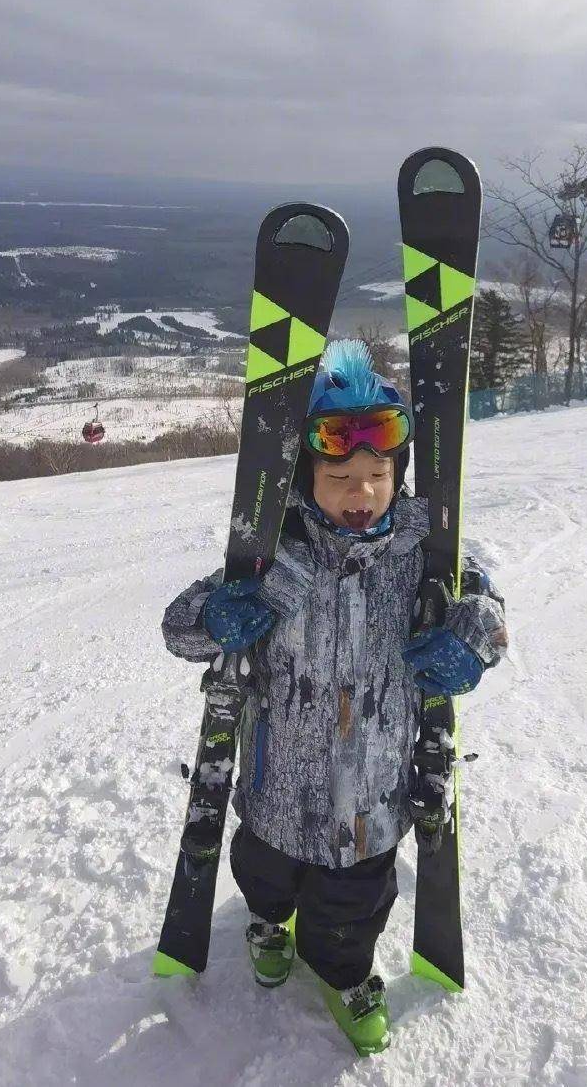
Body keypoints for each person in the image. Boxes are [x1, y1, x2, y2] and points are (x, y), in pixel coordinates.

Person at [161, 339, 507, 1056]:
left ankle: (346, 975)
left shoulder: (422, 550)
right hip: (275, 786)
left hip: (370, 798)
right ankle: (265, 923)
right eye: (341, 475)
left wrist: (470, 642)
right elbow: (180, 628)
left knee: (351, 910)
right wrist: (216, 615)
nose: (362, 492)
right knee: (263, 875)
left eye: (378, 473)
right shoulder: (275, 553)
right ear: (302, 479)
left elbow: (488, 606)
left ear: (399, 473)